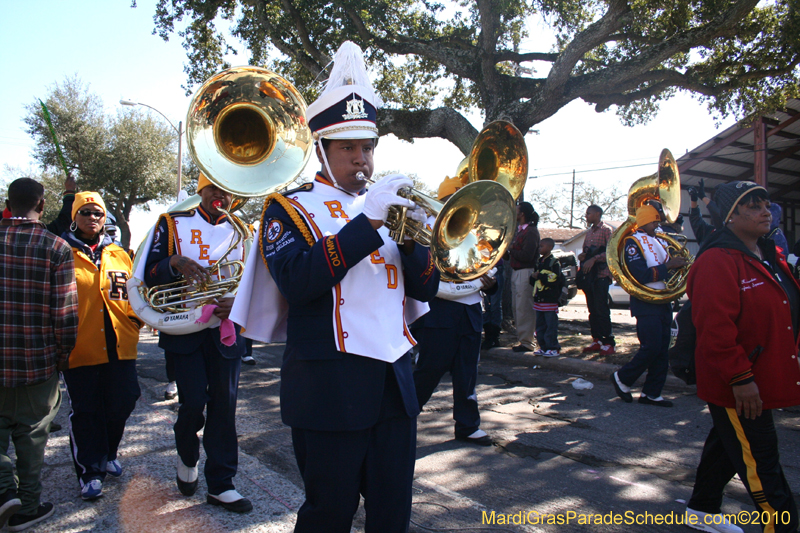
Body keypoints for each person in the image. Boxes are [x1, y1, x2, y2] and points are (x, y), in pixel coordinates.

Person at [230, 41, 439, 533]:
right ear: (321, 148)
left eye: (367, 147)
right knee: (329, 514)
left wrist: (417, 240)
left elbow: (425, 290)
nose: (361, 159)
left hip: (393, 385)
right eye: (348, 147)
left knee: (393, 516)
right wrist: (366, 224)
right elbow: (299, 282)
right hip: (328, 388)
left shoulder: (391, 205)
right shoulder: (289, 208)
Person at [685, 181, 800, 533]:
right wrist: (741, 380)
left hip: (761, 378)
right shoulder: (717, 260)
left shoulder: (769, 254)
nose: (766, 211)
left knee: (729, 443)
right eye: (753, 206)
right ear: (730, 216)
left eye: (766, 204)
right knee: (764, 467)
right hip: (740, 385)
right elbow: (715, 330)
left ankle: (702, 510)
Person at [143, 173, 252, 513]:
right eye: (213, 188)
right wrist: (173, 262)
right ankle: (186, 453)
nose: (221, 195)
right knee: (192, 403)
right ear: (200, 189)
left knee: (225, 406)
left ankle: (222, 484)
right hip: (182, 329)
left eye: (228, 189)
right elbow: (147, 273)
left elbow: (253, 281)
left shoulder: (244, 231)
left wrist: (238, 303)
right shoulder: (171, 223)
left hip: (225, 330)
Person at [0, 178, 78, 531]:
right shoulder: (56, 247)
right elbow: (66, 314)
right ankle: (27, 506)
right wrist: (63, 355)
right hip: (37, 362)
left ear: (7, 202)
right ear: (42, 206)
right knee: (31, 437)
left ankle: (4, 492)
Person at [60, 192, 142, 501]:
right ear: (74, 216)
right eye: (85, 212)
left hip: (120, 342)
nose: (92, 217)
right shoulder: (62, 250)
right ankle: (90, 471)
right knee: (87, 409)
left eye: (97, 213)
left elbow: (135, 290)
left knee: (124, 399)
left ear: (104, 217)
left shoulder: (119, 253)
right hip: (80, 344)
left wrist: (136, 320)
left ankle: (109, 452)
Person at [413, 176, 496, 446]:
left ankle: (468, 425)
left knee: (467, 372)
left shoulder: (476, 231)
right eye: (453, 199)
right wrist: (470, 284)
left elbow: (488, 266)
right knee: (429, 370)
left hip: (471, 312)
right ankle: (402, 418)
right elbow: (427, 275)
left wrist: (490, 282)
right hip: (440, 312)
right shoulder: (426, 228)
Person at [610, 205, 688, 407]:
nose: (658, 225)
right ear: (645, 221)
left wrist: (679, 265)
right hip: (646, 303)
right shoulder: (632, 242)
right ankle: (622, 377)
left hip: (663, 301)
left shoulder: (659, 241)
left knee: (663, 349)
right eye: (655, 222)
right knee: (652, 347)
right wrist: (669, 266)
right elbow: (640, 275)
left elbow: (667, 268)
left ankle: (652, 393)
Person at [579, 205, 615, 355]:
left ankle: (609, 342)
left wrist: (595, 258)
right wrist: (583, 256)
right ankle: (597, 340)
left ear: (597, 214)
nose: (586, 216)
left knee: (601, 309)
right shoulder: (589, 233)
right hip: (590, 276)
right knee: (592, 310)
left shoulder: (606, 230)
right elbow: (586, 251)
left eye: (589, 213)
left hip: (601, 275)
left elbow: (610, 251)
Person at [507, 202, 539, 353]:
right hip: (517, 271)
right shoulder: (521, 231)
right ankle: (523, 339)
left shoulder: (531, 232)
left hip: (525, 272)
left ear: (522, 214)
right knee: (517, 306)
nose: (515, 213)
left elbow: (528, 255)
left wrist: (512, 249)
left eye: (517, 211)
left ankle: (527, 342)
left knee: (524, 307)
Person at [530, 238, 562, 357]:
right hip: (539, 300)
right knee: (540, 326)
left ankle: (553, 347)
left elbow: (555, 279)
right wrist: (533, 277)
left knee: (550, 325)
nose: (539, 249)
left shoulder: (554, 262)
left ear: (549, 248)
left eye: (541, 246)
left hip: (550, 300)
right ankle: (543, 347)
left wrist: (541, 276)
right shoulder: (539, 262)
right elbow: (534, 280)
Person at [687, 178, 723, 244]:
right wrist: (694, 199)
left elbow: (719, 215)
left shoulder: (731, 233)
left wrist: (703, 197)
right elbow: (695, 220)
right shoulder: (709, 232)